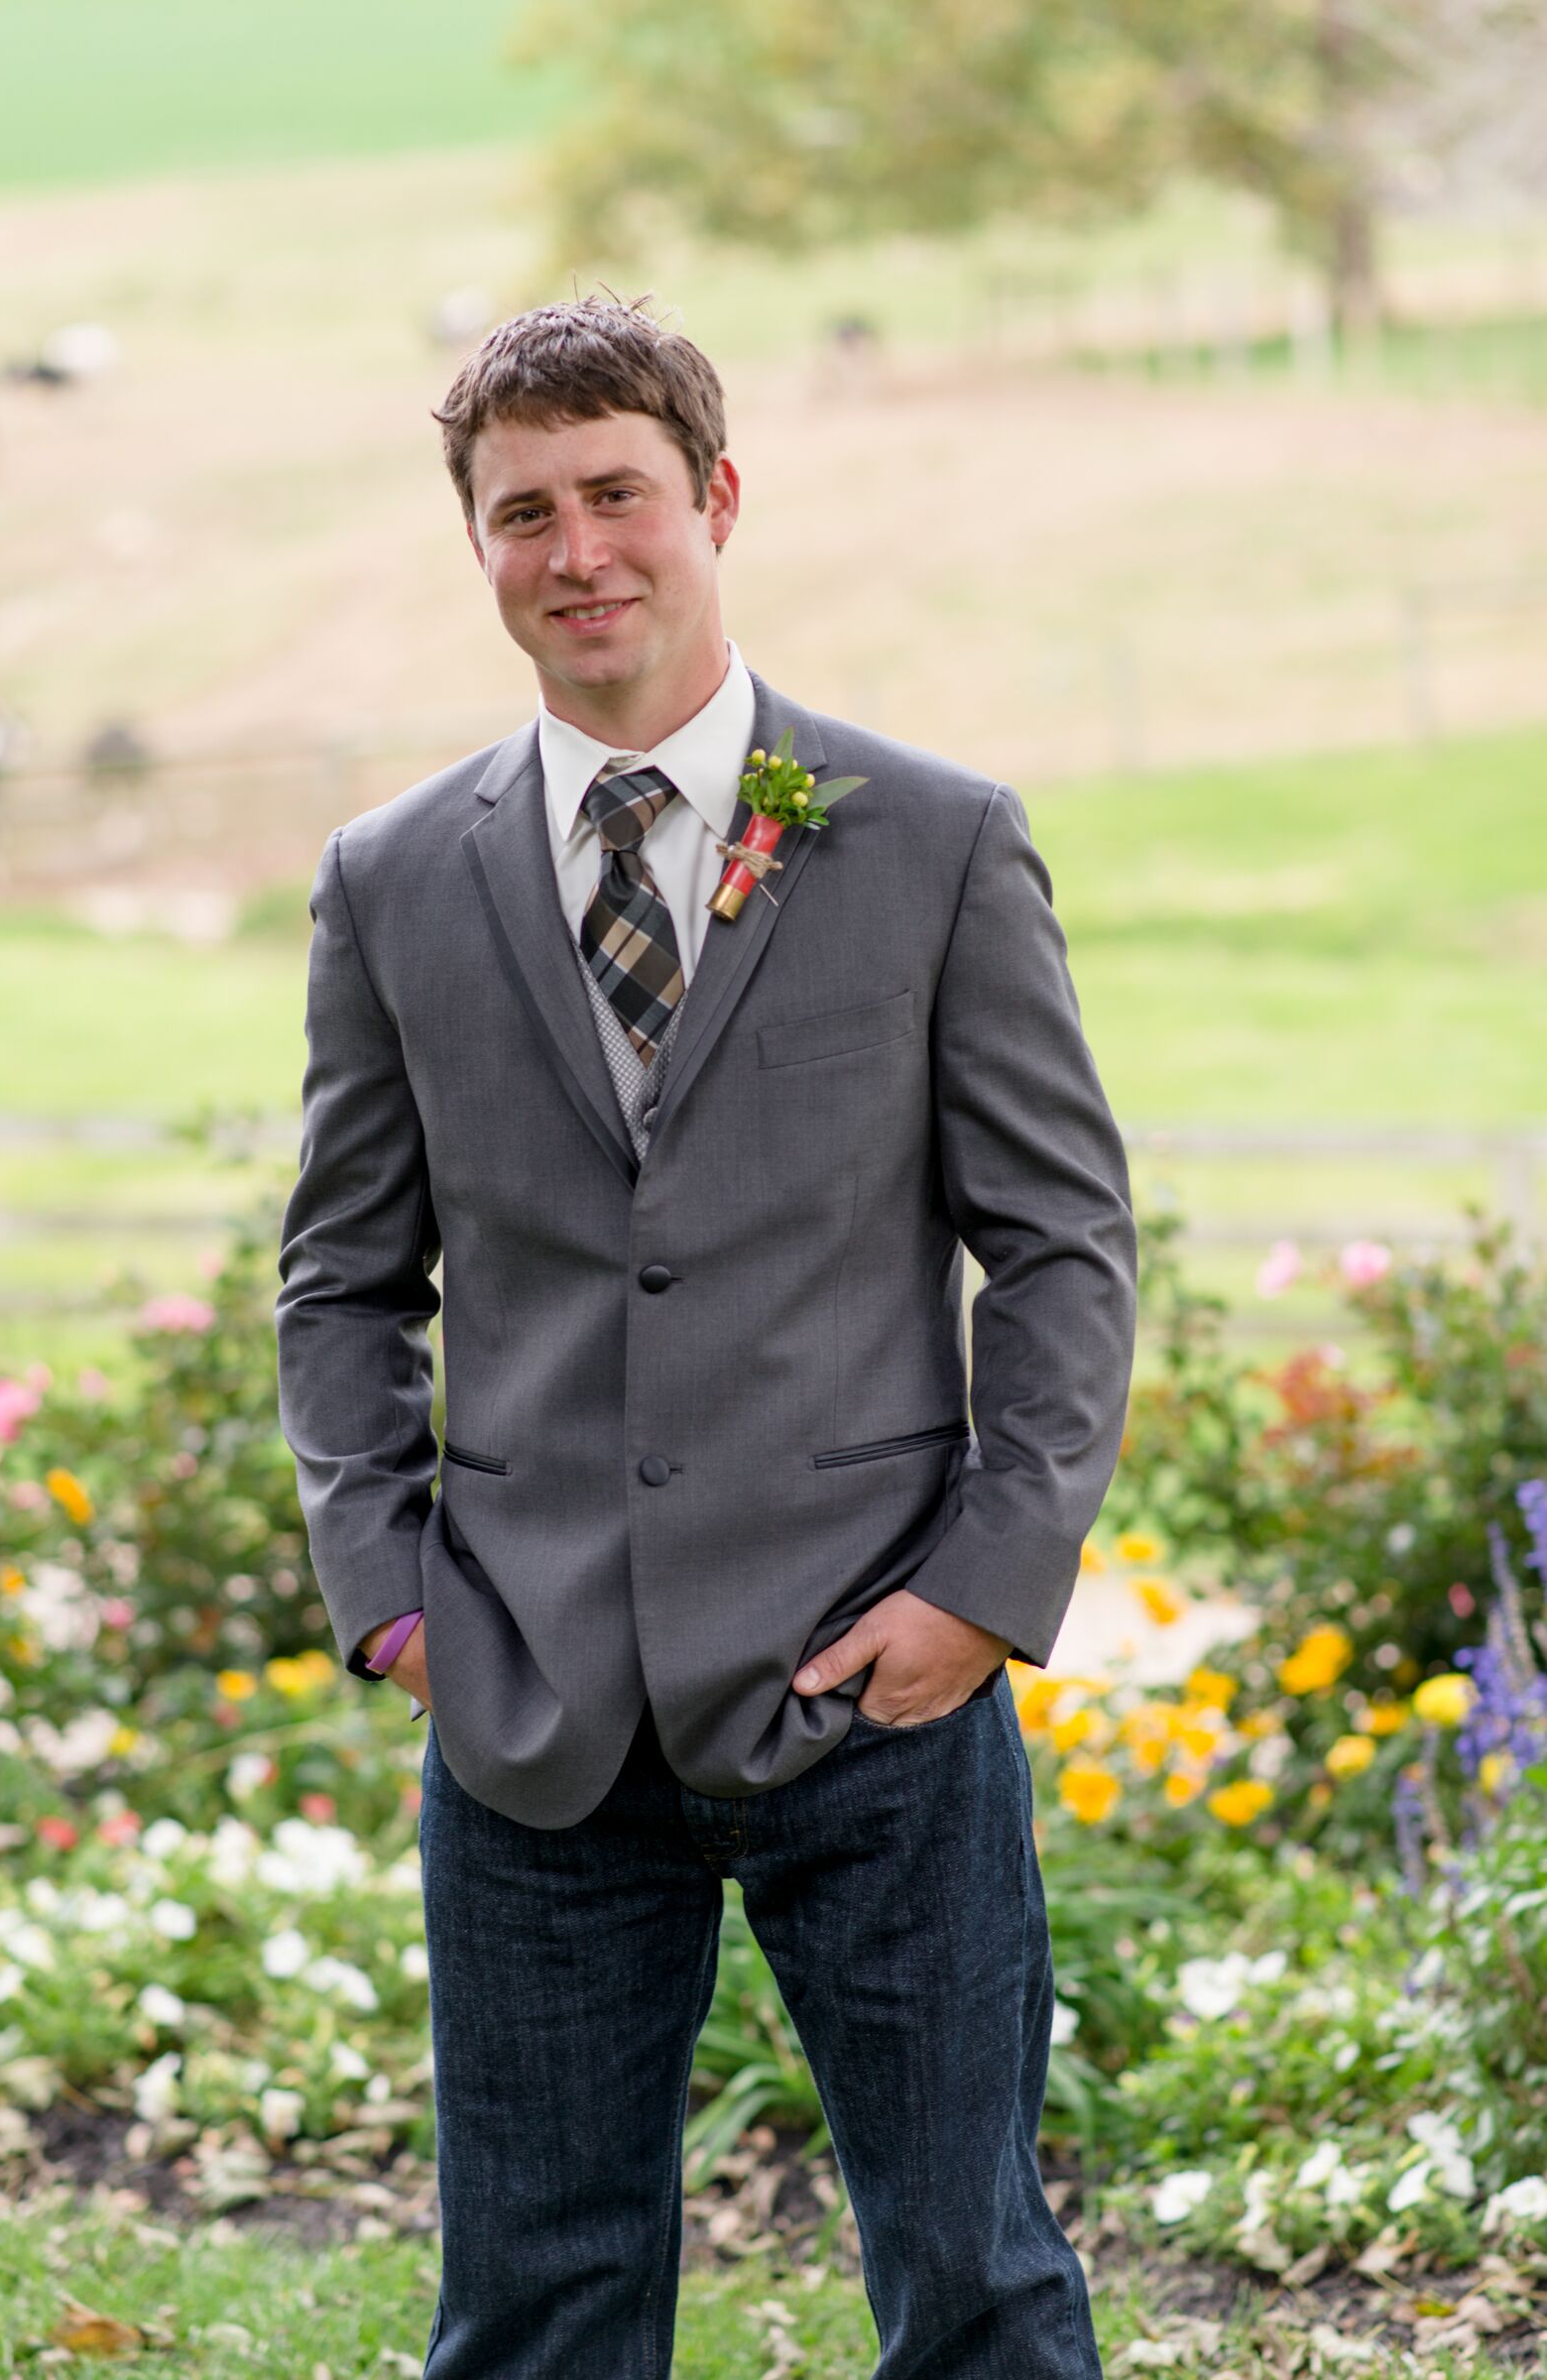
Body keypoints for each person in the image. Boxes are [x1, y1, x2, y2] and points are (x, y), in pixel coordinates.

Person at [275, 291, 1136, 2379]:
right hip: (528, 1699)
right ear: (477, 545)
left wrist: (984, 1591)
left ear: (716, 497)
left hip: (880, 1688)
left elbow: (1063, 1247)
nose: (579, 551)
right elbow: (340, 1281)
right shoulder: (395, 880)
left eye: (619, 495)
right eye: (523, 512)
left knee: (978, 2281)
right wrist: (396, 1599)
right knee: (541, 2306)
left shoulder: (931, 841)